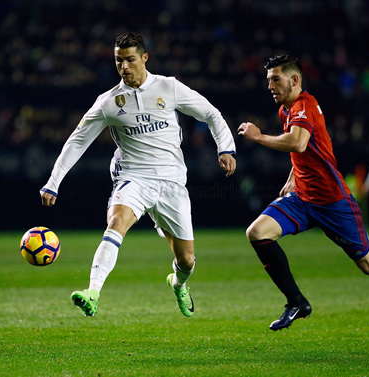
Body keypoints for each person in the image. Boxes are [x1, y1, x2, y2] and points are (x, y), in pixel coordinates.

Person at [237, 54, 369, 344]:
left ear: (294, 79)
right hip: (302, 198)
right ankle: (296, 301)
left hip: (333, 201)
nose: (270, 85)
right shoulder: (287, 110)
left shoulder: (304, 105)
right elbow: (303, 150)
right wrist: (291, 178)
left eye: (276, 79)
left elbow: (298, 141)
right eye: (268, 80)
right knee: (257, 232)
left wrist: (259, 137)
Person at [40, 32, 236, 318]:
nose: (124, 67)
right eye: (119, 61)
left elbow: (211, 114)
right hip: (133, 177)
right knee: (116, 221)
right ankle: (92, 292)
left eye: (130, 60)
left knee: (187, 260)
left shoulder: (168, 88)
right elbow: (77, 140)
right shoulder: (109, 102)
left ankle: (178, 283)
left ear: (145, 58)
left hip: (171, 182)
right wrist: (53, 182)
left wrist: (226, 148)